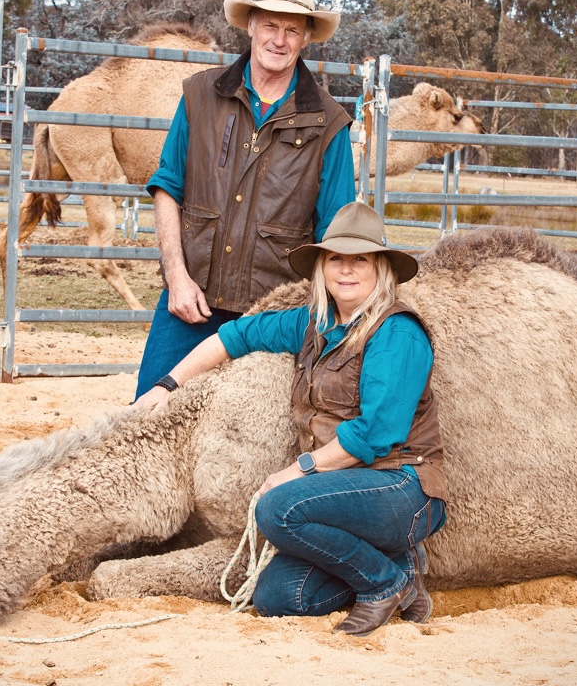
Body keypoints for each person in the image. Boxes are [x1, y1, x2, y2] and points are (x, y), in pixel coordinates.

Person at [134, 202, 447, 637]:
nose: (347, 270)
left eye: (361, 260)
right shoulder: (313, 324)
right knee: (280, 598)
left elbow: (375, 434)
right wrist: (167, 385)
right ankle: (399, 565)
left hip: (402, 486)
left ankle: (384, 583)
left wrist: (297, 471)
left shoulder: (397, 333)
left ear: (381, 270)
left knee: (277, 507)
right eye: (336, 258)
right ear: (322, 267)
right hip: (344, 491)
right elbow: (234, 337)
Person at [134, 0, 357, 399]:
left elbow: (337, 230)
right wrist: (176, 278)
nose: (279, 39)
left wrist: (324, 315)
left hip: (272, 313)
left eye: (292, 30)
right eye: (270, 25)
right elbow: (167, 188)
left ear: (306, 38)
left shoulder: (329, 123)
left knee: (254, 439)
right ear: (251, 26)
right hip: (190, 299)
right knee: (149, 411)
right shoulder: (199, 95)